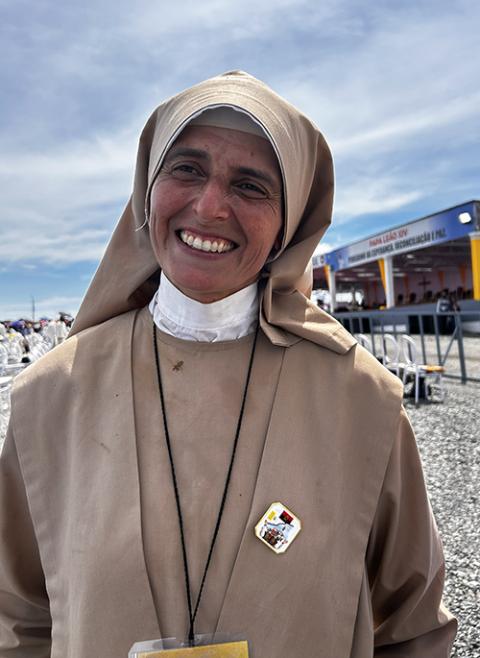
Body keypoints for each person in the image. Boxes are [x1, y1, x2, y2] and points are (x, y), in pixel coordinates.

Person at [0, 71, 456, 657]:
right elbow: (19, 622)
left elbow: (412, 627)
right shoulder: (49, 397)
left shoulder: (363, 401)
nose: (210, 206)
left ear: (289, 225)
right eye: (186, 169)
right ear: (147, 189)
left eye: (251, 186)